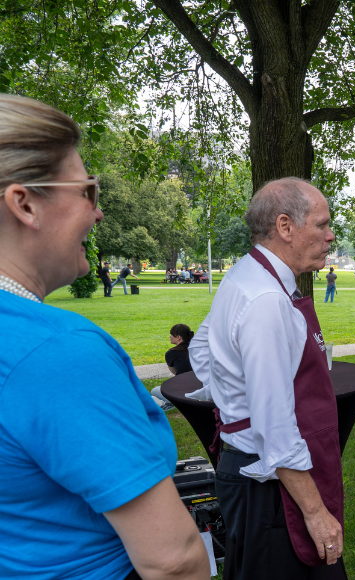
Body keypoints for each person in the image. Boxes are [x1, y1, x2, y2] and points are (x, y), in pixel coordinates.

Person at [0, 94, 209, 579]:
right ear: (25, 203)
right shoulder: (57, 352)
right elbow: (172, 559)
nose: (97, 215)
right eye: (87, 192)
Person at [188, 177, 345, 579]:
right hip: (270, 488)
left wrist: (233, 397)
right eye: (323, 224)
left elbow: (200, 349)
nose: (330, 236)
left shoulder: (245, 274)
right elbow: (276, 430)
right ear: (285, 227)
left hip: (247, 474)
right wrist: (316, 513)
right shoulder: (267, 299)